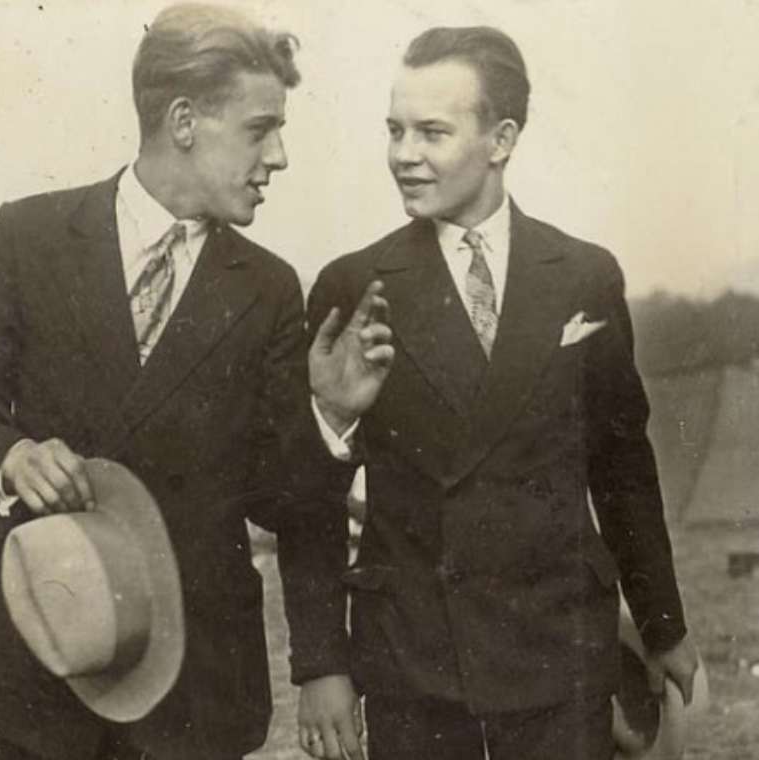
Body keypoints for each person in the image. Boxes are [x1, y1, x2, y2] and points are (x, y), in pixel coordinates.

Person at [0, 5, 387, 760]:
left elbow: (285, 501)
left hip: (197, 691)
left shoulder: (267, 290)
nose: (279, 156)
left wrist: (328, 417)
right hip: (50, 665)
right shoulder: (26, 240)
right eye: (260, 129)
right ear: (183, 120)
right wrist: (9, 455)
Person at [294, 26, 699, 760]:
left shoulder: (583, 275)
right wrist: (322, 664)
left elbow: (621, 468)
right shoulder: (354, 285)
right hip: (414, 662)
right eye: (394, 130)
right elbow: (311, 502)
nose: (403, 154)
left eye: (431, 132)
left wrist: (662, 624)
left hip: (561, 653)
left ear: (501, 139)